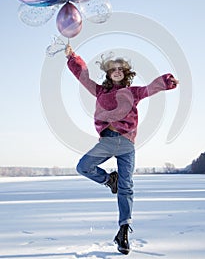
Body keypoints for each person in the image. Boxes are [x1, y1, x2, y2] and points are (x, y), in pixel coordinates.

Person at [65, 45, 178, 255]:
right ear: (108, 73)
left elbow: (150, 88)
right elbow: (83, 76)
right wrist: (72, 56)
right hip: (107, 140)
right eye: (113, 69)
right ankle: (109, 180)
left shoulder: (133, 92)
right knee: (83, 167)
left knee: (127, 188)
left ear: (125, 73)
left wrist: (166, 81)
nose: (117, 71)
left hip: (126, 144)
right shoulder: (100, 91)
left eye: (120, 69)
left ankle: (123, 231)